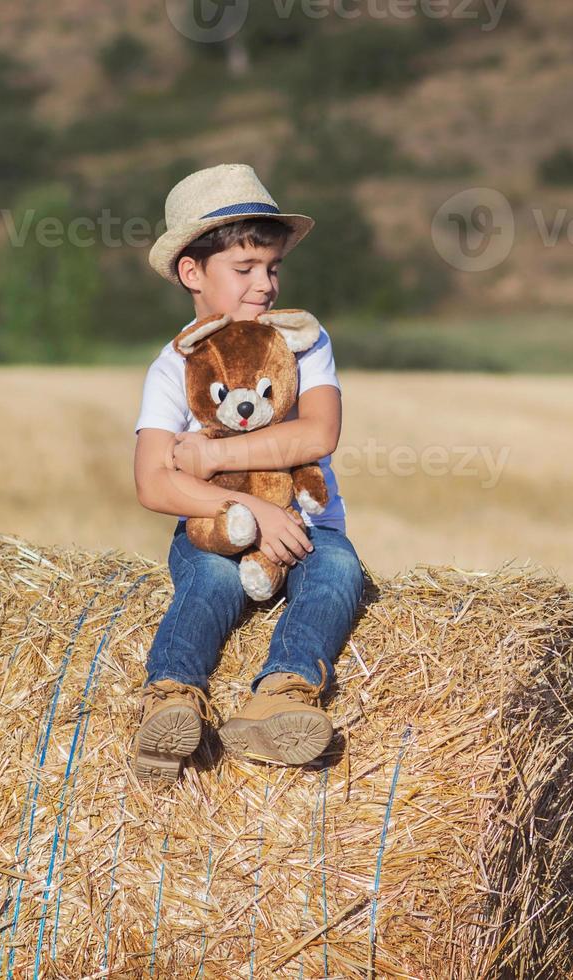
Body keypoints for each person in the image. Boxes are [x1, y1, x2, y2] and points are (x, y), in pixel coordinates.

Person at [129, 163, 364, 782]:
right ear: (192, 273)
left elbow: (319, 432)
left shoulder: (305, 342)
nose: (264, 285)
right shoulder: (173, 366)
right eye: (245, 269)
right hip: (217, 530)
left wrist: (215, 456)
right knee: (210, 583)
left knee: (338, 570)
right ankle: (171, 699)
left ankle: (281, 695)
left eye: (272, 268)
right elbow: (153, 480)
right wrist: (252, 511)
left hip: (309, 530)